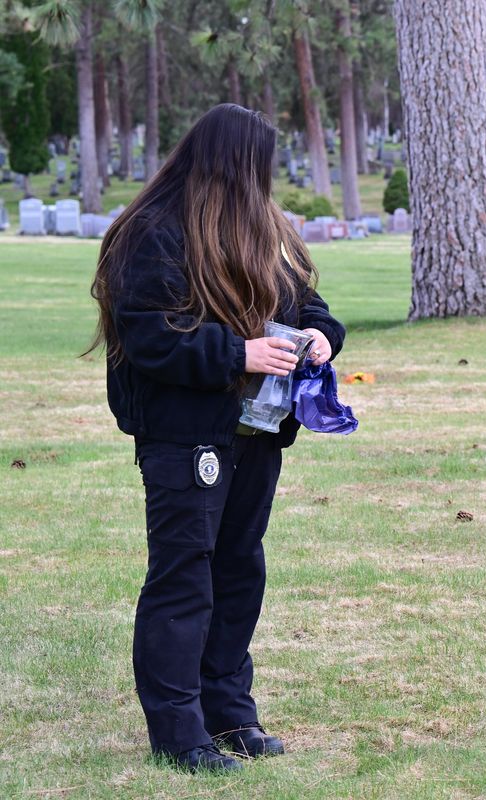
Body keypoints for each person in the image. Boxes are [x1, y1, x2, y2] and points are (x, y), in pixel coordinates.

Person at [87, 104, 345, 772]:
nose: (266, 181)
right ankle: (178, 732)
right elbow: (149, 336)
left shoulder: (257, 225)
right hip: (184, 437)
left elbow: (303, 303)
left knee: (238, 572)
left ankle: (229, 714)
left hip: (254, 435)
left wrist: (320, 334)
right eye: (257, 166)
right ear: (232, 162)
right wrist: (240, 355)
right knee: (184, 578)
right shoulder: (153, 232)